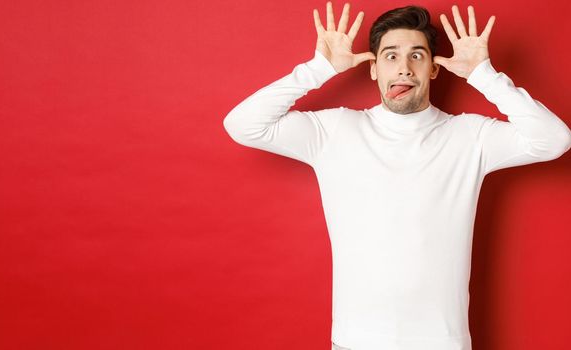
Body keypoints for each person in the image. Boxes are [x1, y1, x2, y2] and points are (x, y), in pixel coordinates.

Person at [222, 2, 571, 350]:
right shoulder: (335, 130)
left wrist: (483, 75)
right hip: (355, 341)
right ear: (373, 69)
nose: (404, 68)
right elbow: (243, 125)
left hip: (443, 342)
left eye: (417, 56)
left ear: (434, 69)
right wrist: (317, 69)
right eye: (390, 56)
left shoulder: (470, 136)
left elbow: (554, 140)